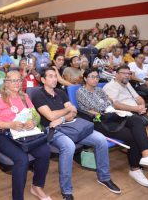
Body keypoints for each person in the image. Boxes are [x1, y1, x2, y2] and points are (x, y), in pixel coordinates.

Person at [31, 67, 121, 200]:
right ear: (43, 79)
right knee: (69, 146)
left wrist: (61, 117)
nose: (54, 79)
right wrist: (66, 111)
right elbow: (50, 116)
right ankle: (66, 190)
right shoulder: (38, 95)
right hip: (52, 130)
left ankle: (104, 177)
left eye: (55, 76)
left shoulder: (61, 92)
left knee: (100, 140)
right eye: (50, 76)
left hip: (71, 125)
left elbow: (73, 111)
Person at [77, 68, 148, 187]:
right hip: (99, 121)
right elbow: (99, 106)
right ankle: (135, 169)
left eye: (97, 77)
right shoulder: (81, 92)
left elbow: (109, 103)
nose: (95, 79)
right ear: (85, 78)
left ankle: (146, 155)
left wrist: (108, 103)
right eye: (92, 77)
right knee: (133, 136)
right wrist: (107, 103)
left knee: (136, 120)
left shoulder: (99, 90)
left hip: (112, 115)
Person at [0, 70, 51, 200]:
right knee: (22, 159)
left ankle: (37, 187)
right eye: (13, 80)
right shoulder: (0, 99)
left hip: (24, 133)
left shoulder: (24, 97)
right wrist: (10, 124)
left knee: (45, 151)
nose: (17, 83)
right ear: (6, 83)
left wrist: (32, 122)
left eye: (19, 80)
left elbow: (35, 115)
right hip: (4, 134)